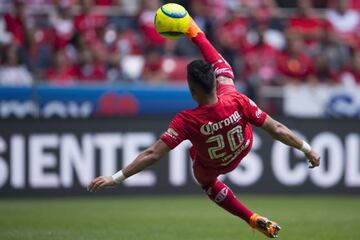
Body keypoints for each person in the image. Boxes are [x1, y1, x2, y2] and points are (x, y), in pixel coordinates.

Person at [88, 18, 321, 238]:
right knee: (211, 138)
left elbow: (153, 154)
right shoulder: (235, 96)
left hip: (211, 164)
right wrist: (306, 148)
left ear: (192, 92)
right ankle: (254, 217)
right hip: (242, 147)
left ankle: (251, 218)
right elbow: (277, 128)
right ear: (215, 80)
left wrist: (115, 178)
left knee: (206, 181)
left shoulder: (186, 120)